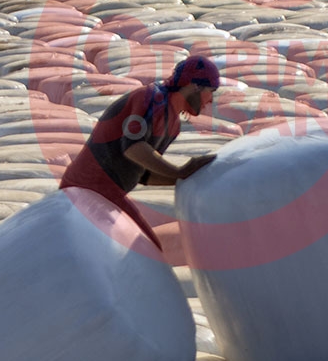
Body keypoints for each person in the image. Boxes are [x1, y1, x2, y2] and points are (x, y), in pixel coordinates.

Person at [59, 55, 221, 250]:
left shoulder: (173, 126)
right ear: (194, 86)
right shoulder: (152, 99)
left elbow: (143, 174)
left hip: (110, 194)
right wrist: (180, 172)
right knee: (147, 250)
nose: (211, 100)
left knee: (150, 248)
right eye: (211, 91)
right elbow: (133, 148)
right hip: (86, 189)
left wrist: (185, 178)